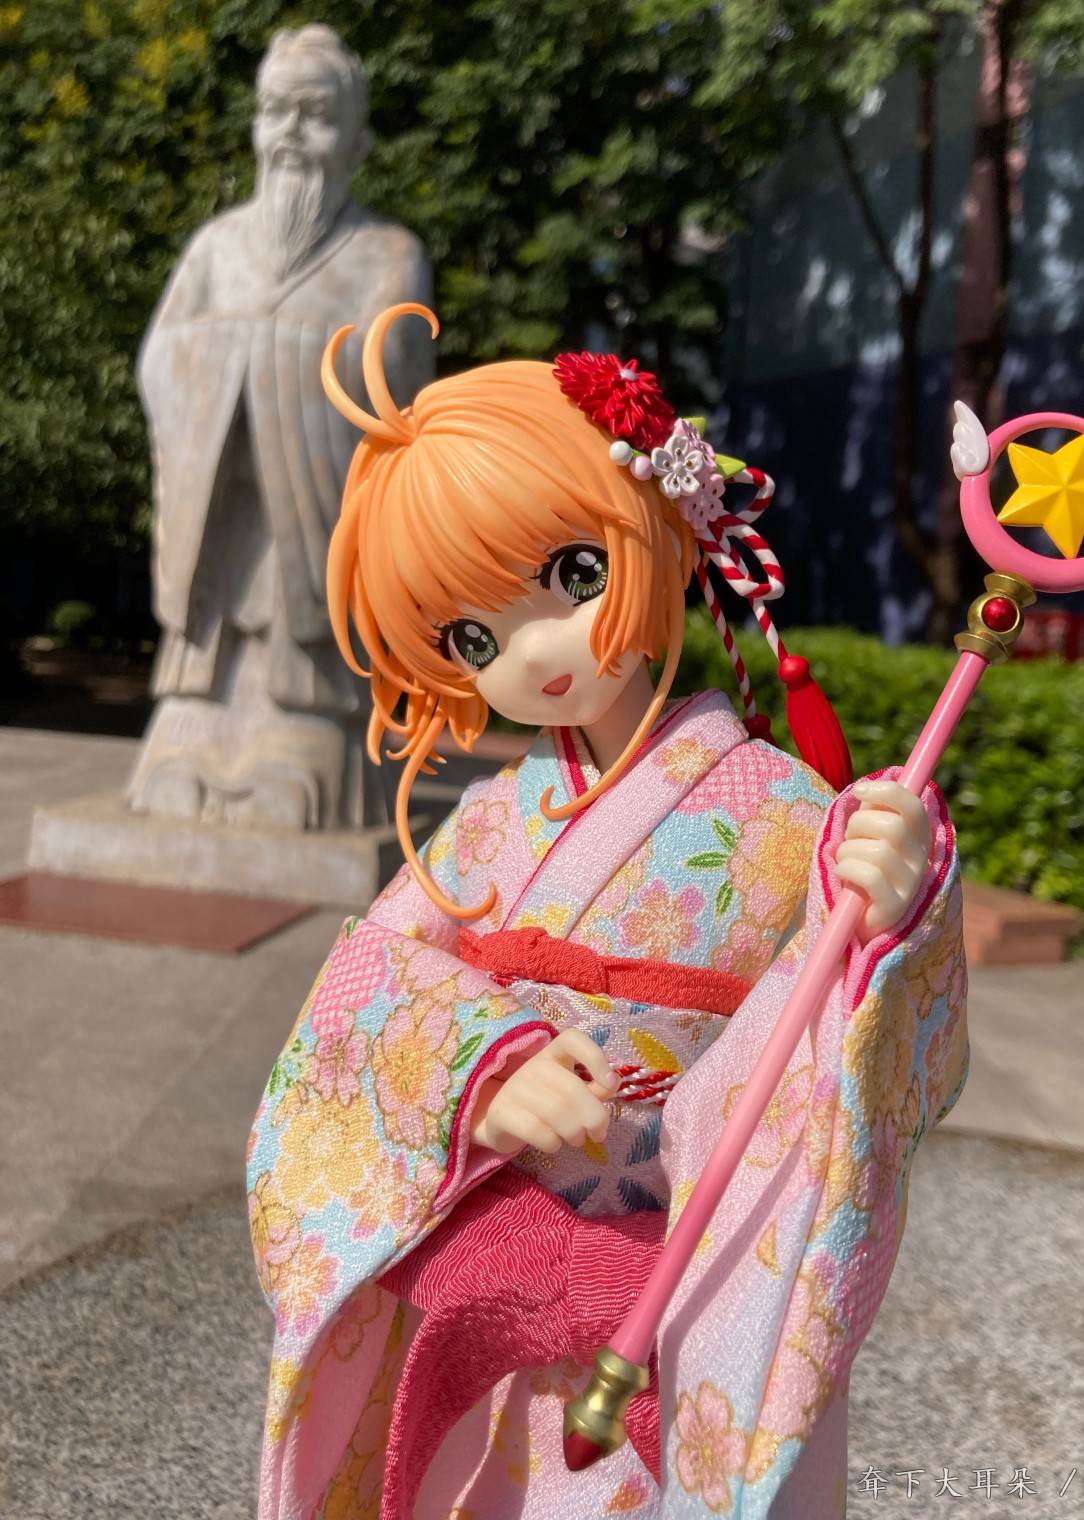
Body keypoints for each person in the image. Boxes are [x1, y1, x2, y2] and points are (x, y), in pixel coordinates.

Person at [246, 305, 969, 1519]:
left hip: (686, 1258)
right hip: (498, 1243)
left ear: (662, 529)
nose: (538, 650)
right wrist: (481, 1065)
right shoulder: (490, 822)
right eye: (473, 633)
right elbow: (363, 992)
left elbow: (866, 1034)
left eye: (574, 575)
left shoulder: (784, 809)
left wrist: (890, 913)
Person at [129, 26, 433, 830]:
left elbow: (393, 382)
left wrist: (274, 358)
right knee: (179, 745)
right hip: (223, 518)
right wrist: (237, 362)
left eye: (316, 115)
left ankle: (303, 729)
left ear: (356, 141)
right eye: (274, 110)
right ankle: (195, 720)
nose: (291, 132)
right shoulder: (215, 248)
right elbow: (160, 361)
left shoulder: (387, 254)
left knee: (294, 773)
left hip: (310, 529)